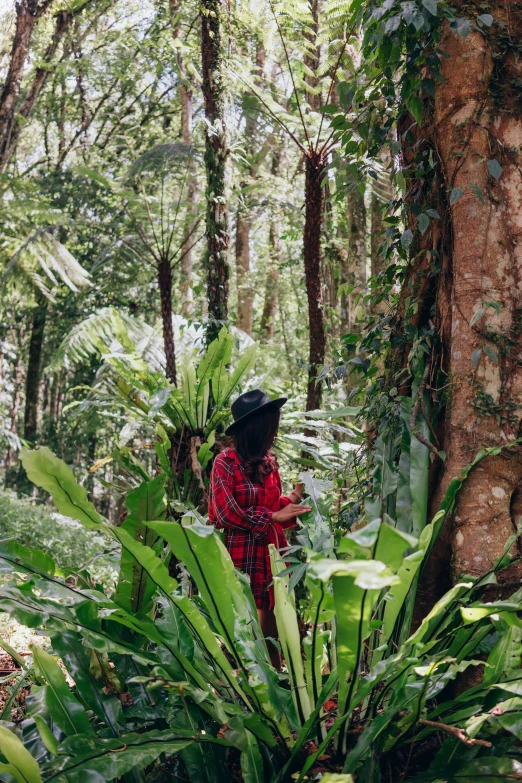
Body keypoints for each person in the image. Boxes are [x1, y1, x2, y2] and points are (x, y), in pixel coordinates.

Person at [208, 389, 311, 669]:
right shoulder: (225, 463)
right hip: (243, 553)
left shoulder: (269, 462)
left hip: (273, 551)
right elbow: (224, 513)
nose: (274, 434)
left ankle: (276, 677)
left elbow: (273, 505)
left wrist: (295, 498)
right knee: (247, 622)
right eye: (271, 427)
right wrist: (273, 516)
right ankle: (254, 680)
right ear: (257, 428)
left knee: (275, 618)